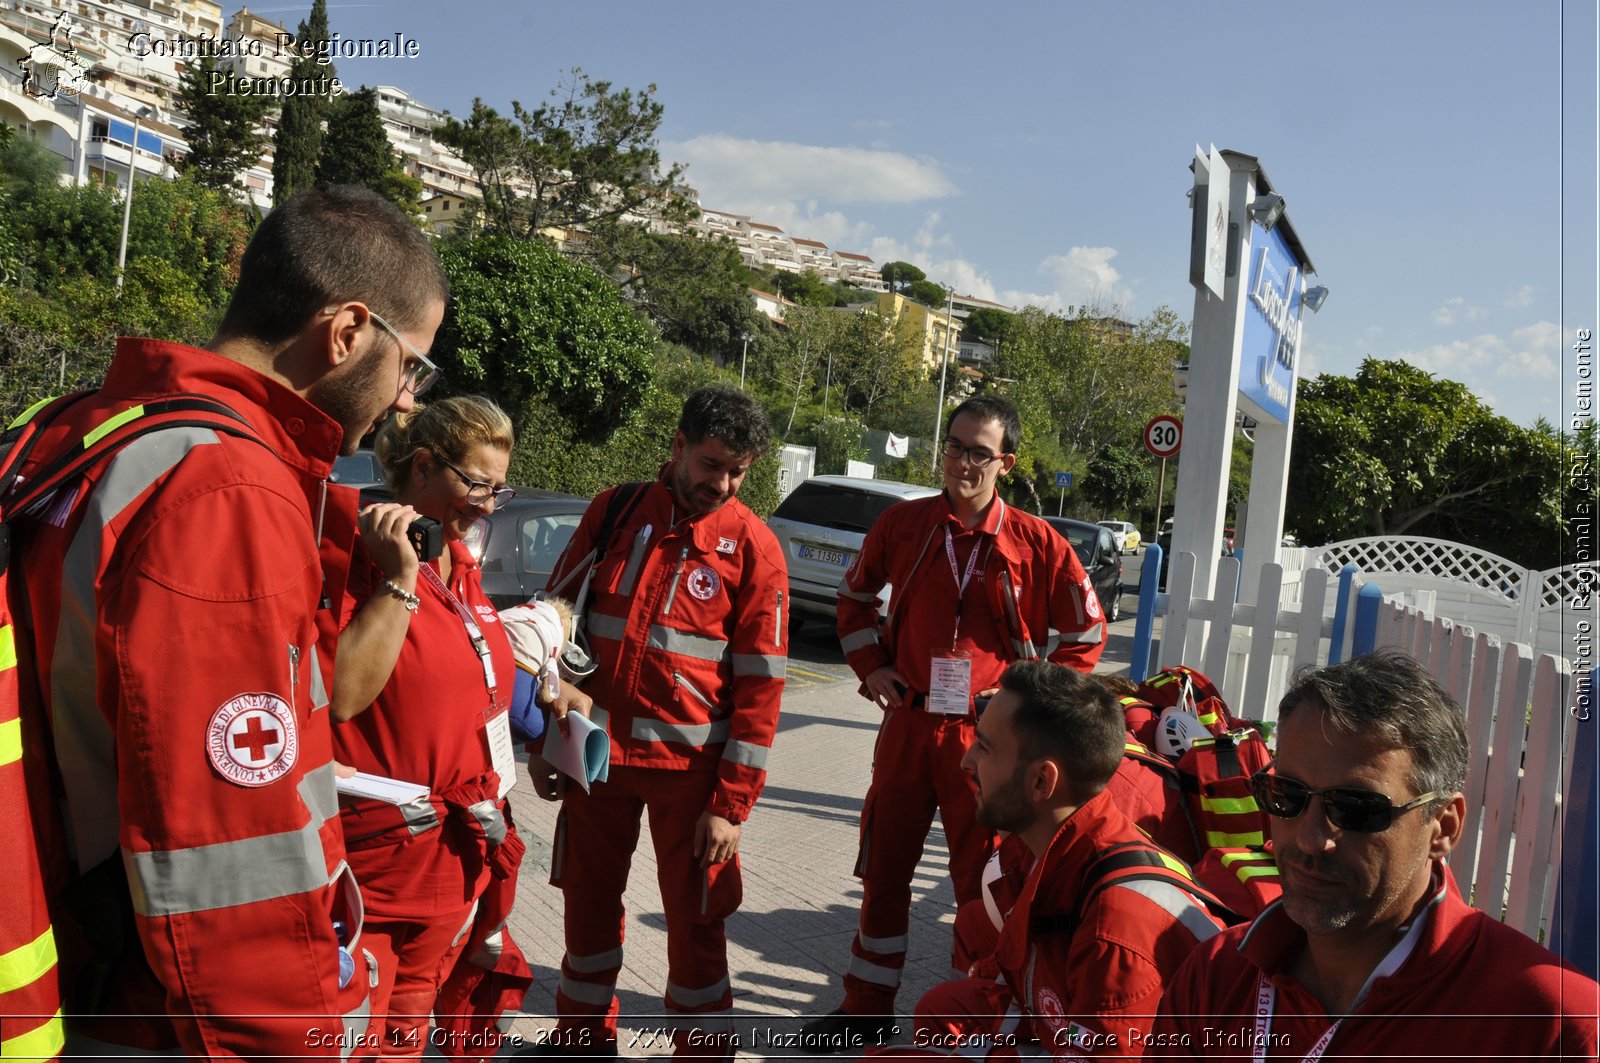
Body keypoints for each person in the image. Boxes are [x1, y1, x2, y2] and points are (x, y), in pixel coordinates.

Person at [11, 185, 447, 1056]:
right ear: (348, 331)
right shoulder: (227, 489)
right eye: (412, 366)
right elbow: (229, 849)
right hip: (154, 1008)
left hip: (74, 946)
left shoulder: (77, 425)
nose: (406, 401)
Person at [805, 395, 1106, 1045]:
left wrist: (1036, 707)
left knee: (984, 887)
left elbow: (1086, 632)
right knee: (883, 870)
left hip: (989, 741)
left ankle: (973, 1017)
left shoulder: (1037, 542)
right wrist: (871, 668)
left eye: (978, 451)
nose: (961, 461)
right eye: (953, 445)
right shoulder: (904, 524)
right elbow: (854, 598)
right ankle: (864, 1010)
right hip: (908, 729)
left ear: (1006, 462)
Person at [1149, 651, 1600, 1059]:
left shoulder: (1551, 1025)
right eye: (1287, 794)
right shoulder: (1218, 975)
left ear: (1443, 827)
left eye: (1356, 809)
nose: (1310, 838)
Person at [530, 385, 789, 1060]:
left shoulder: (755, 549)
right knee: (586, 910)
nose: (723, 483)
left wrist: (732, 806)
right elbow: (553, 630)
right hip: (597, 764)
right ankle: (580, 1044)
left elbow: (762, 691)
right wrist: (548, 738)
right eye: (711, 464)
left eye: (738, 471)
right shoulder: (614, 511)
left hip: (693, 781)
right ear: (676, 447)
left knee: (698, 929)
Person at [847, 659, 1225, 1060]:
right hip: (1063, 1020)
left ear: (1042, 781)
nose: (966, 761)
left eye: (985, 747)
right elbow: (1016, 975)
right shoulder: (1043, 846)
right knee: (944, 1008)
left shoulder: (1113, 931)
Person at [330, 395, 534, 1056]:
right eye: (476, 483)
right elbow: (342, 697)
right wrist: (398, 578)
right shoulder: (363, 561)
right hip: (380, 879)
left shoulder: (462, 565)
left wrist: (555, 703)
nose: (485, 504)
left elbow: (474, 679)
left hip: (454, 870)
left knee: (407, 1041)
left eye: (499, 490)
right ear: (423, 467)